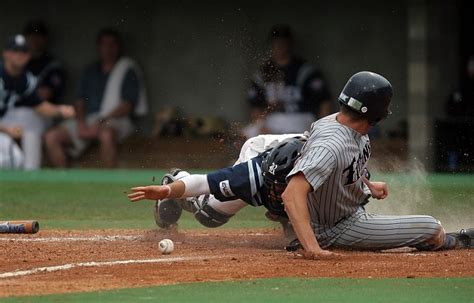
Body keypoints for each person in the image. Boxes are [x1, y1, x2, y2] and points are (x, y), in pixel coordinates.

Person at [281, 71, 473, 259]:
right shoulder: (330, 146)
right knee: (431, 227)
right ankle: (455, 241)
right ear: (376, 114)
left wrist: (367, 185)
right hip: (336, 228)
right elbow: (291, 194)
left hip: (345, 213)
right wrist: (313, 248)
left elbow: (341, 166)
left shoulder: (337, 123)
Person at [127, 135, 305, 236]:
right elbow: (205, 183)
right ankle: (177, 177)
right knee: (209, 215)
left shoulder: (325, 176)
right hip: (263, 152)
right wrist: (168, 191)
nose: (278, 193)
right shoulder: (251, 173)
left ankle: (288, 217)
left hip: (300, 166)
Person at [45, 28, 148, 168]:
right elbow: (80, 102)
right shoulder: (90, 71)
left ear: (118, 47)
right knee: (52, 136)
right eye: (104, 44)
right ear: (98, 47)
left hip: (116, 120)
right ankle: (63, 179)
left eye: (112, 44)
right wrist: (81, 124)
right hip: (88, 120)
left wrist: (101, 121)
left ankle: (108, 182)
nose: (108, 49)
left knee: (106, 134)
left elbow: (127, 105)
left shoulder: (127, 69)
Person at [242, 24, 332, 138]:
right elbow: (255, 107)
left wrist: (323, 128)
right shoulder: (263, 72)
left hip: (301, 118)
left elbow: (324, 102)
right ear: (272, 44)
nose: (280, 46)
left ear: (290, 44)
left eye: (283, 42)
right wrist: (261, 124)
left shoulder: (305, 71)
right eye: (277, 42)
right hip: (273, 120)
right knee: (247, 133)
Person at [0, 34, 74, 169]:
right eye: (15, 51)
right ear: (6, 54)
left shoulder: (26, 79)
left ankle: (31, 174)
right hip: (2, 127)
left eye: (23, 51)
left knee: (16, 157)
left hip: (3, 125)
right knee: (7, 160)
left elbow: (38, 106)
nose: (20, 55)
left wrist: (60, 110)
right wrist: (6, 129)